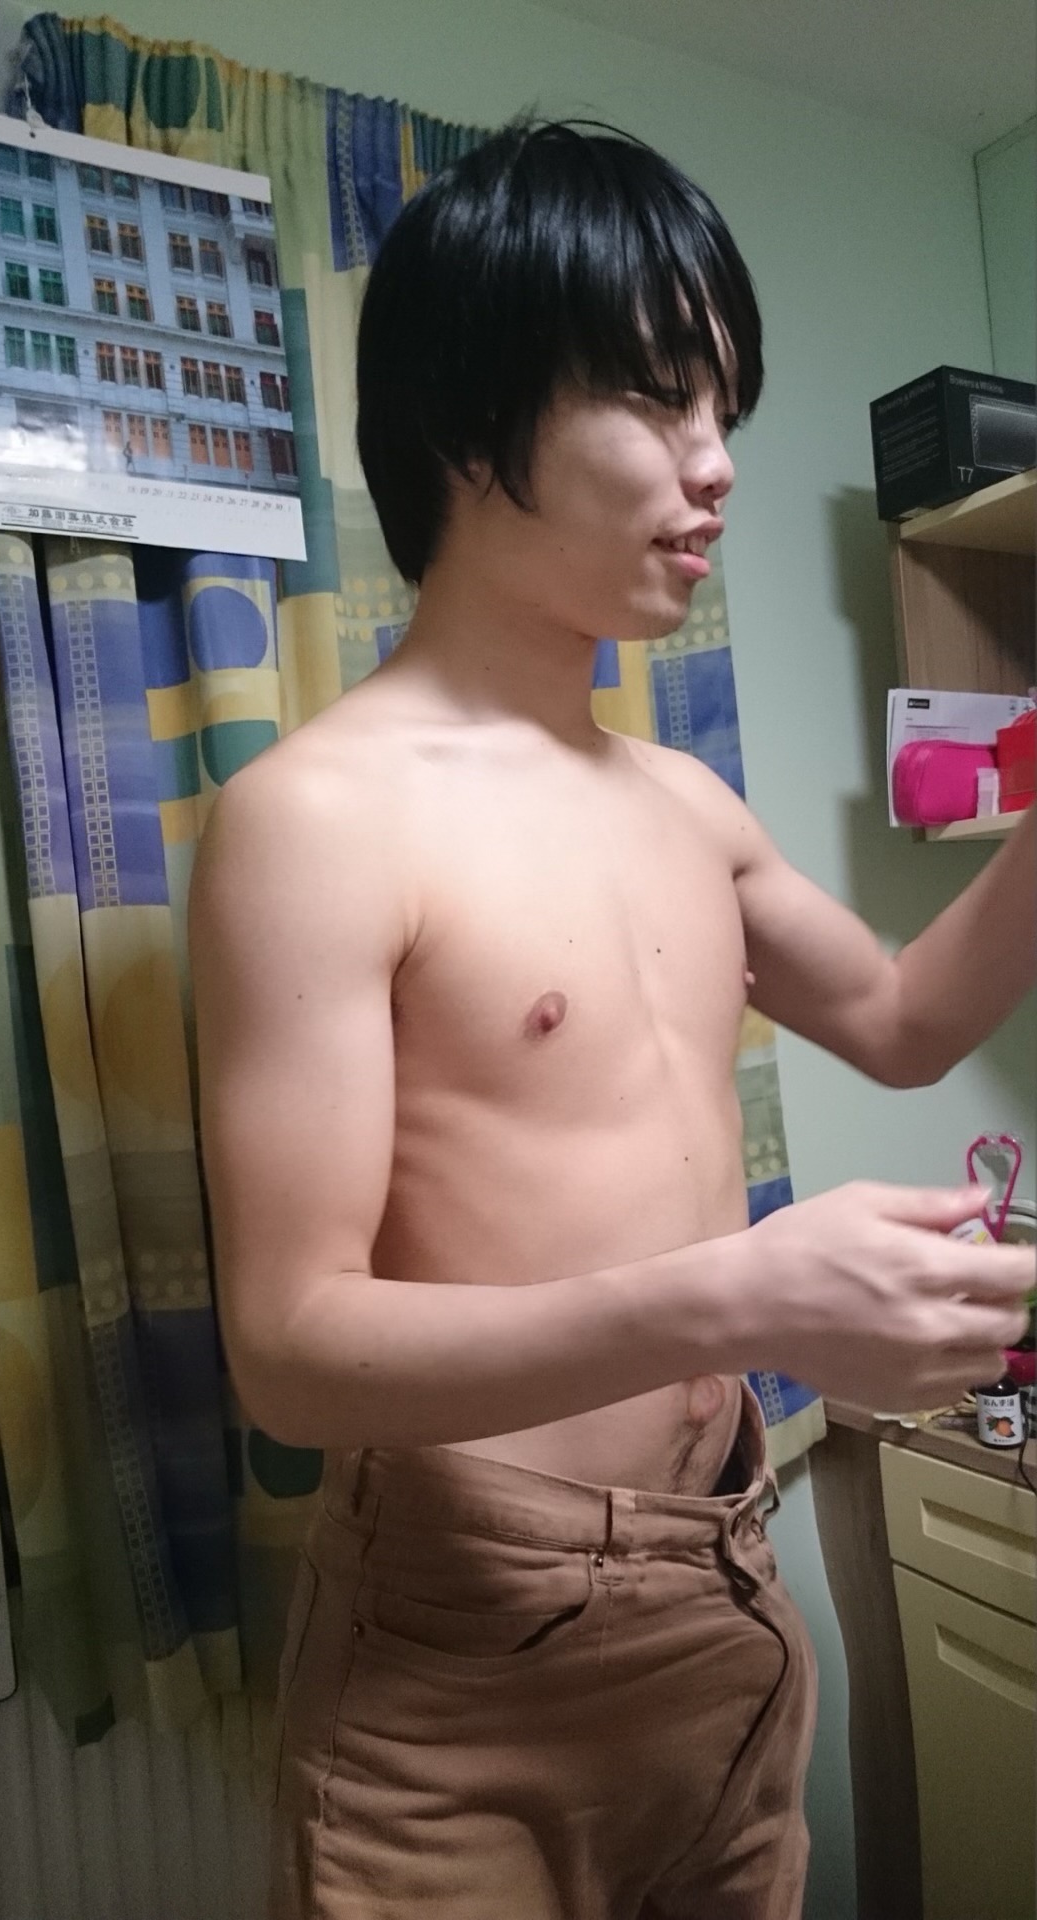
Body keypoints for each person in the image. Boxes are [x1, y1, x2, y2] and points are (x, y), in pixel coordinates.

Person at [189, 119, 1035, 1920]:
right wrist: (746, 1294)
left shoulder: (686, 803)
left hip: (721, 1591)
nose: (715, 465)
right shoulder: (315, 821)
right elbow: (289, 1352)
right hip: (460, 1664)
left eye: (724, 407)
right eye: (658, 399)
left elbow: (903, 1020)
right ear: (466, 420)